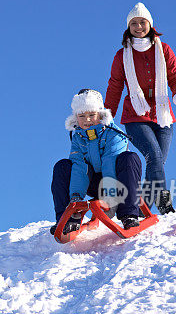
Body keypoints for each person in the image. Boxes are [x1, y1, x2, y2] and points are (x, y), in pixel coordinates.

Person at [105, 2, 176, 214]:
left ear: (150, 24)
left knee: (157, 163)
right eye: (134, 23)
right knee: (153, 157)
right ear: (128, 27)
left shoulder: (163, 50)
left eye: (142, 22)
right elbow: (115, 85)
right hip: (135, 115)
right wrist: (107, 114)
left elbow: (175, 75)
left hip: (163, 115)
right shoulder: (122, 55)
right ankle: (164, 203)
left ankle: (140, 208)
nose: (138, 27)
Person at [51, 89, 142, 234]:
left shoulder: (114, 133)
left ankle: (129, 215)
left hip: (118, 182)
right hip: (92, 182)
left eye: (91, 115)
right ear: (76, 117)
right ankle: (65, 218)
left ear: (100, 114)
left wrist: (110, 196)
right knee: (63, 166)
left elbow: (109, 163)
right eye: (82, 116)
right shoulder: (78, 137)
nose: (87, 120)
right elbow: (79, 167)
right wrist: (75, 200)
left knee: (129, 158)